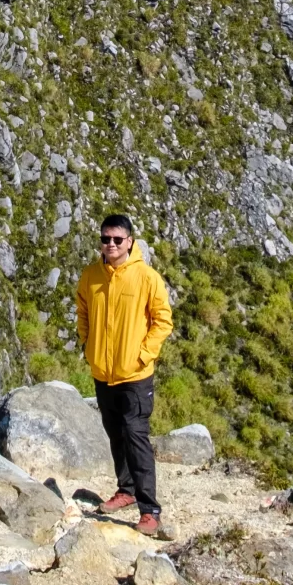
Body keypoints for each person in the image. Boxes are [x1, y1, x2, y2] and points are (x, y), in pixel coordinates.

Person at [74, 214, 174, 536]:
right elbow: (83, 311)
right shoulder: (91, 276)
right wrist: (87, 342)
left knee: (136, 437)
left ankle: (150, 510)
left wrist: (143, 355)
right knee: (115, 434)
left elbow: (163, 321)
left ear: (130, 241)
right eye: (106, 239)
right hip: (103, 373)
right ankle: (126, 490)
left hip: (135, 376)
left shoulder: (146, 277)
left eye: (118, 239)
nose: (112, 245)